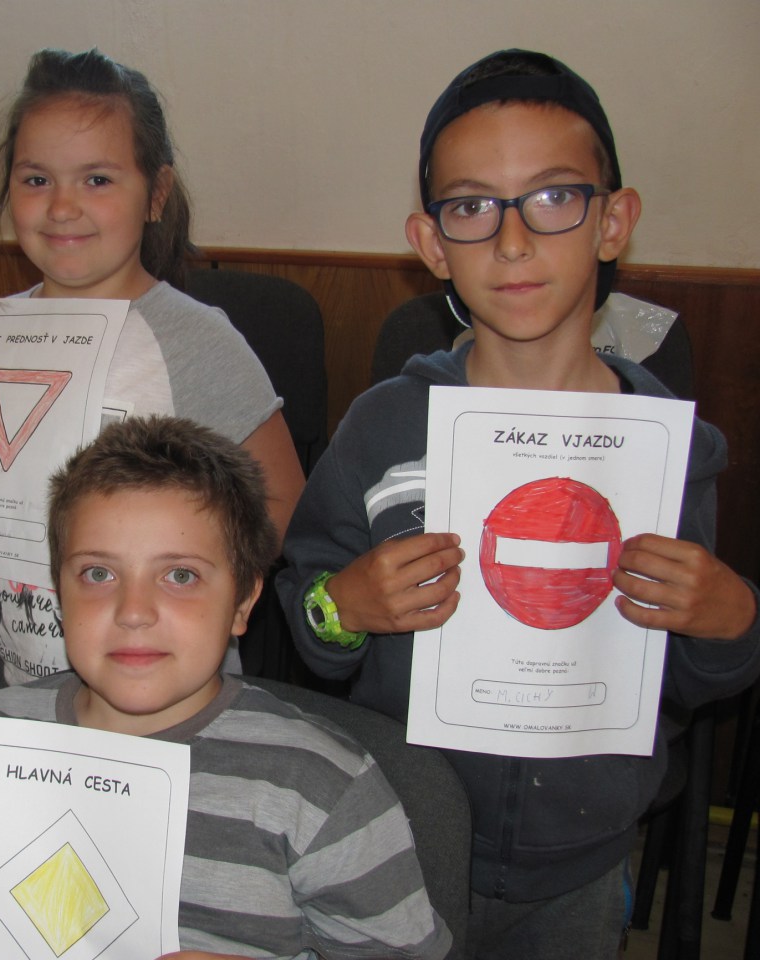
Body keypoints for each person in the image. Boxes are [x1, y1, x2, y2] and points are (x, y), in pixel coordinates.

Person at [276, 49, 760, 959]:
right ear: (431, 243)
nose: (511, 241)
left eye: (553, 197)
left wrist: (731, 621)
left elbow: (693, 679)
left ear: (613, 221)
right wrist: (345, 607)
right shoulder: (383, 429)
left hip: (582, 859)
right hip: (394, 837)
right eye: (472, 207)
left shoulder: (669, 450)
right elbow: (309, 616)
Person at [0, 415, 451, 959]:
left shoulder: (317, 785)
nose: (134, 611)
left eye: (180, 575)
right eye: (98, 573)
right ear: (58, 592)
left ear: (243, 602)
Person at [0, 47, 305, 685]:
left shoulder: (196, 342)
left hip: (165, 681)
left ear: (156, 194)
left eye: (98, 180)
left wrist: (174, 571)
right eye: (36, 180)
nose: (61, 207)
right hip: (23, 684)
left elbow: (283, 509)